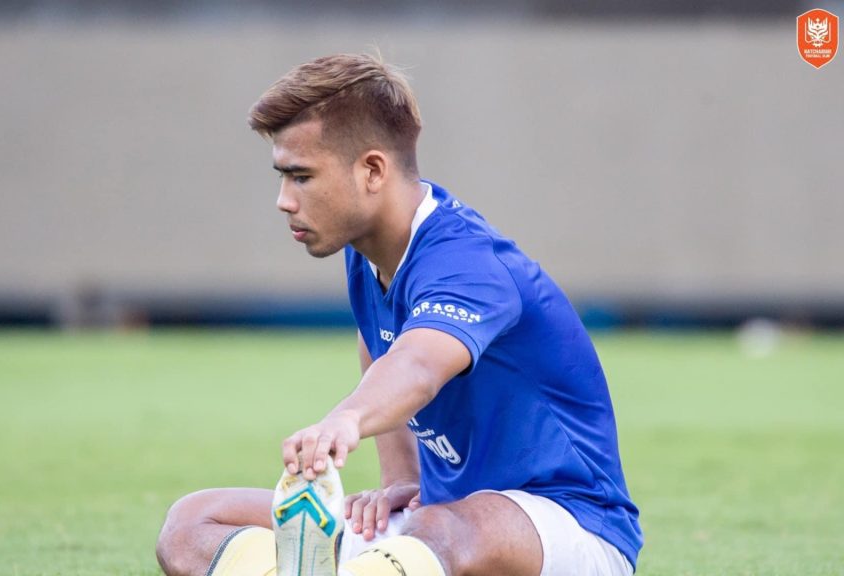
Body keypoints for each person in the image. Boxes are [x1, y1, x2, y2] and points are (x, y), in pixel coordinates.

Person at [156, 53, 642, 576]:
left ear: (372, 170)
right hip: (439, 528)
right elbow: (380, 342)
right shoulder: (367, 253)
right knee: (193, 524)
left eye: (301, 177)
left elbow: (416, 365)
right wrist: (400, 480)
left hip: (571, 527)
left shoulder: (467, 263)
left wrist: (346, 418)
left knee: (440, 529)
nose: (284, 200)